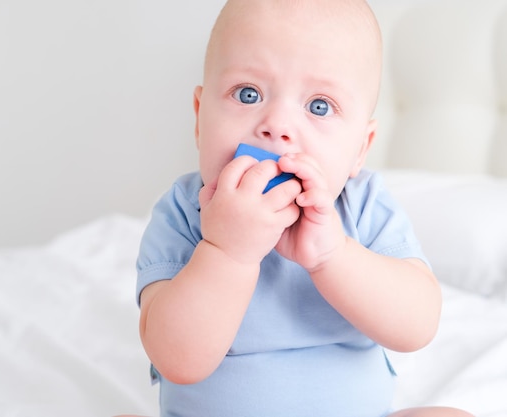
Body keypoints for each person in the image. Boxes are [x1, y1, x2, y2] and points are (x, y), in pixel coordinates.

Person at [130, 0, 475, 416]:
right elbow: (178, 360)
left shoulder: (362, 206)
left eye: (319, 106)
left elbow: (417, 325)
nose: (277, 125)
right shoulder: (186, 212)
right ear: (201, 119)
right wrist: (227, 252)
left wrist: (333, 255)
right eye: (248, 93)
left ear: (359, 150)